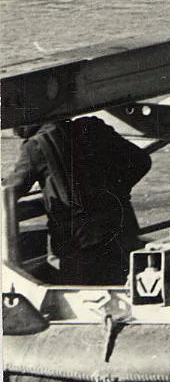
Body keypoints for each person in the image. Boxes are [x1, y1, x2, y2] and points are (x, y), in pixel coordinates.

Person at [7, 117, 152, 283]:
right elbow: (141, 161)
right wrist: (116, 191)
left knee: (86, 297)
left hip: (79, 242)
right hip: (122, 227)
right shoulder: (93, 127)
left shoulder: (36, 146)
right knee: (126, 287)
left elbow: (10, 190)